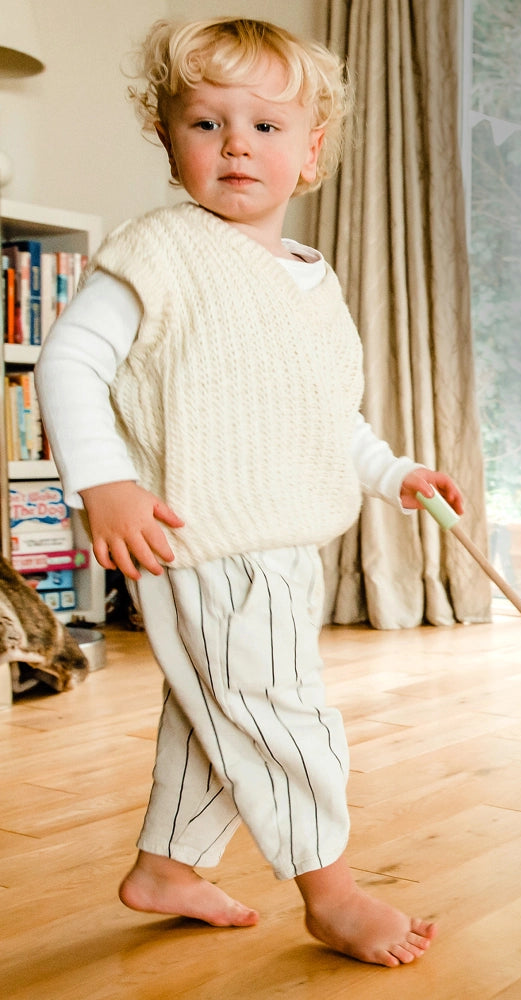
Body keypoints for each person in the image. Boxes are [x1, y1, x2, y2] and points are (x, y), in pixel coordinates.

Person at [35, 16, 461, 968]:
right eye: (206, 123)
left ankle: (167, 865)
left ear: (311, 152)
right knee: (278, 713)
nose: (236, 144)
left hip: (285, 540)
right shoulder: (159, 252)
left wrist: (394, 473)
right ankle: (333, 893)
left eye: (266, 126)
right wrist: (101, 481)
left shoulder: (312, 278)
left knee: (218, 703)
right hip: (209, 540)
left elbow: (324, 414)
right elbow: (67, 362)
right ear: (166, 137)